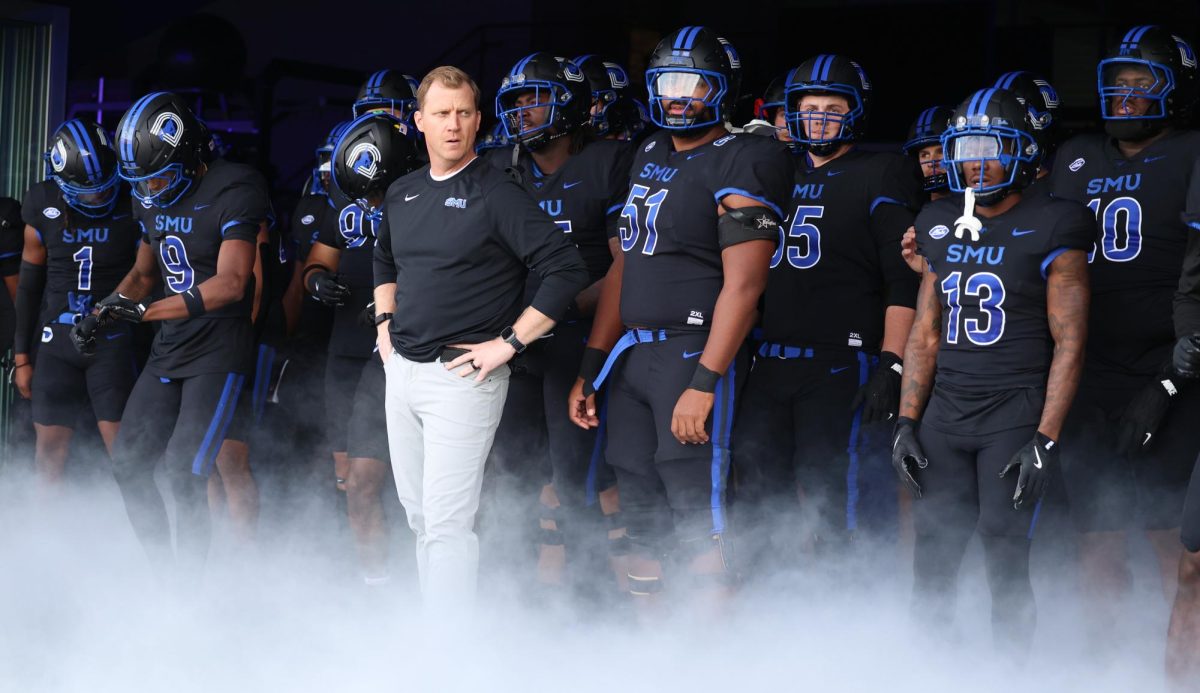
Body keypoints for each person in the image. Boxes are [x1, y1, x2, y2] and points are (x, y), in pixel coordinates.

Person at [567, 26, 791, 616]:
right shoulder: (648, 150)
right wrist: (592, 365)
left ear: (723, 90)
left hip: (691, 352)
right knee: (638, 515)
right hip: (635, 357)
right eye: (666, 82)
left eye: (693, 83)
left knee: (699, 517)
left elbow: (745, 287)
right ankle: (655, 657)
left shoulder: (747, 156)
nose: (676, 96)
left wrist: (704, 380)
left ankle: (713, 662)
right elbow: (624, 270)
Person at [372, 65, 587, 614]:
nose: (453, 125)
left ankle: (449, 654)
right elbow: (385, 256)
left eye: (464, 113)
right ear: (418, 121)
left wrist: (510, 344)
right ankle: (436, 632)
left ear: (478, 120)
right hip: (404, 372)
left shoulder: (496, 191)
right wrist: (383, 326)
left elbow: (566, 267)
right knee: (419, 515)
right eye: (441, 114)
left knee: (446, 524)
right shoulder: (402, 192)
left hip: (463, 377)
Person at [898, 87, 1092, 652]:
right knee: (931, 564)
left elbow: (1071, 339)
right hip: (945, 415)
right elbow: (926, 331)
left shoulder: (1057, 222)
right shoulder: (938, 219)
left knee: (1005, 560)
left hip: (1013, 411)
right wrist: (908, 419)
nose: (973, 161)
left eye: (990, 147)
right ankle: (929, 674)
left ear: (1026, 153)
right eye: (964, 148)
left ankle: (1008, 678)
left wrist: (1046, 437)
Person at [732, 54, 922, 570]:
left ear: (855, 112)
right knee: (756, 495)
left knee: (844, 501)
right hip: (770, 359)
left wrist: (892, 363)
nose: (816, 116)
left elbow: (902, 277)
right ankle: (771, 612)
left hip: (842, 362)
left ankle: (857, 617)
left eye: (831, 107)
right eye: (807, 106)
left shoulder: (880, 170)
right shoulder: (774, 170)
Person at [1048, 25, 1200, 641]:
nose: (1125, 95)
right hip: (1090, 371)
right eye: (1117, 81)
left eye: (1142, 83)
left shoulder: (1192, 151)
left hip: (1172, 367)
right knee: (1096, 538)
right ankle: (1102, 669)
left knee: (1174, 542)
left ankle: (1178, 672)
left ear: (1178, 87)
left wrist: (1170, 379)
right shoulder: (1075, 156)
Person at [83, 91, 269, 581]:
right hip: (169, 350)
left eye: (159, 175)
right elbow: (143, 275)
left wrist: (143, 312)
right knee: (126, 464)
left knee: (185, 471)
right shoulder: (148, 199)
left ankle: (189, 595)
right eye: (142, 181)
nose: (151, 188)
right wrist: (102, 310)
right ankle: (162, 577)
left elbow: (232, 284)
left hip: (217, 350)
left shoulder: (238, 187)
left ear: (187, 157)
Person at [489, 52, 634, 598]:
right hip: (510, 346)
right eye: (516, 101)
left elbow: (628, 264)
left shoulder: (611, 162)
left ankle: (591, 599)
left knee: (580, 481)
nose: (524, 111)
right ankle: (522, 595)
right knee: (510, 476)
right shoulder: (501, 168)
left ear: (571, 102)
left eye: (537, 97)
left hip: (580, 338)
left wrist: (558, 311)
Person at [319, 111, 419, 585]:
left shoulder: (446, 198)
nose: (372, 202)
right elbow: (322, 262)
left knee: (438, 500)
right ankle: (376, 594)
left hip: (438, 361)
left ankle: (447, 606)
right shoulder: (368, 211)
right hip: (379, 360)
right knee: (359, 485)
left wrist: (402, 308)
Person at [15, 119, 140, 487]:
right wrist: (22, 356)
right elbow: (28, 284)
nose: (99, 196)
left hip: (112, 342)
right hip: (56, 341)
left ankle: (143, 535)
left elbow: (150, 277)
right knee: (48, 457)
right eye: (89, 191)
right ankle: (44, 537)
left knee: (126, 454)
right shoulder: (41, 201)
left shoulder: (133, 199)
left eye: (105, 187)